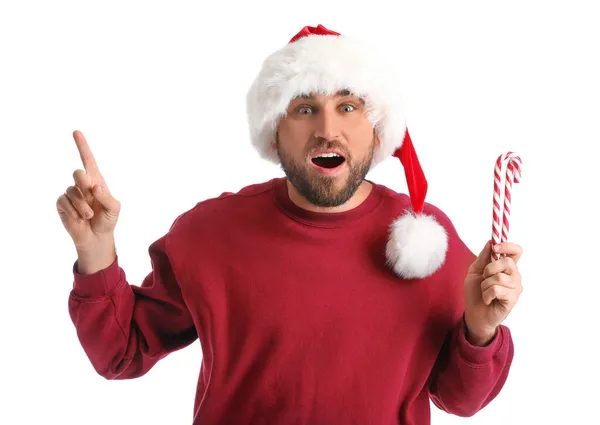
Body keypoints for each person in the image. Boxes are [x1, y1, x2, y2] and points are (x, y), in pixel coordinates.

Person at [58, 24, 523, 425]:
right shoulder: (209, 235)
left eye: (348, 107)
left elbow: (461, 399)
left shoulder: (426, 237)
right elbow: (122, 353)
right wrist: (96, 250)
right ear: (274, 131)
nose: (327, 129)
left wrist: (480, 331)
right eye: (304, 108)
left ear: (377, 130)